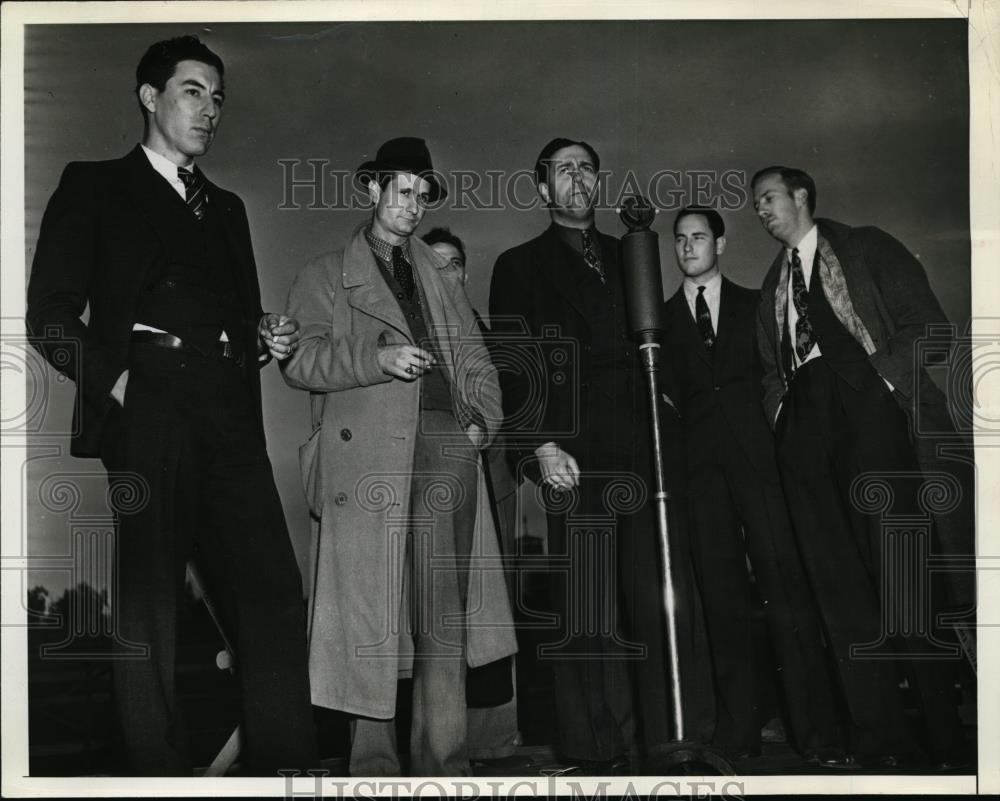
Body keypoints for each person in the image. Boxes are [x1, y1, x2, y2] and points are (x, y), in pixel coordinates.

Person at [25, 36, 317, 775]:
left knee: (275, 597)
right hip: (149, 404)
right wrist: (122, 384)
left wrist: (261, 334)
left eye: (218, 97)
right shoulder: (93, 186)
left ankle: (283, 772)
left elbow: (237, 315)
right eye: (193, 91)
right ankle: (156, 777)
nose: (210, 109)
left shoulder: (229, 208)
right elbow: (50, 316)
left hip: (229, 416)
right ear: (150, 97)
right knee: (148, 607)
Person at [281, 138, 516, 777]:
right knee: (371, 615)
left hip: (446, 445)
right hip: (369, 460)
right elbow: (300, 361)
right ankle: (373, 769)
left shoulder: (440, 276)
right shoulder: (324, 274)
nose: (414, 205)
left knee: (444, 618)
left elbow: (478, 361)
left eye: (423, 194)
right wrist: (375, 360)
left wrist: (480, 428)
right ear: (372, 190)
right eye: (403, 191)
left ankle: (445, 763)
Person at [488, 138, 712, 773]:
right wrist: (540, 443)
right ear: (541, 189)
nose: (579, 179)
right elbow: (513, 362)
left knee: (652, 593)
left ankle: (667, 743)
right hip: (573, 451)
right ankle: (594, 751)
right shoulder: (519, 264)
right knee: (588, 603)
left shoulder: (632, 255)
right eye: (564, 170)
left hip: (642, 447)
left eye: (587, 168)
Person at [751, 165, 969, 768]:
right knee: (838, 588)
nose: (760, 211)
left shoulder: (866, 246)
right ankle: (879, 741)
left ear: (800, 196)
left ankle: (946, 740)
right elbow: (771, 372)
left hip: (872, 411)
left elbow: (931, 328)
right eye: (755, 205)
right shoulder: (772, 284)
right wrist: (783, 416)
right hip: (805, 431)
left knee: (903, 578)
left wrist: (877, 382)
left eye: (768, 199)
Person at [662, 206, 845, 765]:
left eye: (699, 236)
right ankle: (737, 735)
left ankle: (817, 734)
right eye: (680, 239)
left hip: (762, 464)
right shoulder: (659, 322)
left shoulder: (756, 304)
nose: (689, 247)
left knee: (786, 593)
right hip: (700, 475)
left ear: (720, 241)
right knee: (721, 601)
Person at [422, 226, 523, 767]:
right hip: (437, 497)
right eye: (434, 264)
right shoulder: (416, 335)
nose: (447, 274)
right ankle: (443, 744)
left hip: (493, 488)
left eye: (454, 263)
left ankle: (496, 743)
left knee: (493, 620)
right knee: (439, 622)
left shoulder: (492, 335)